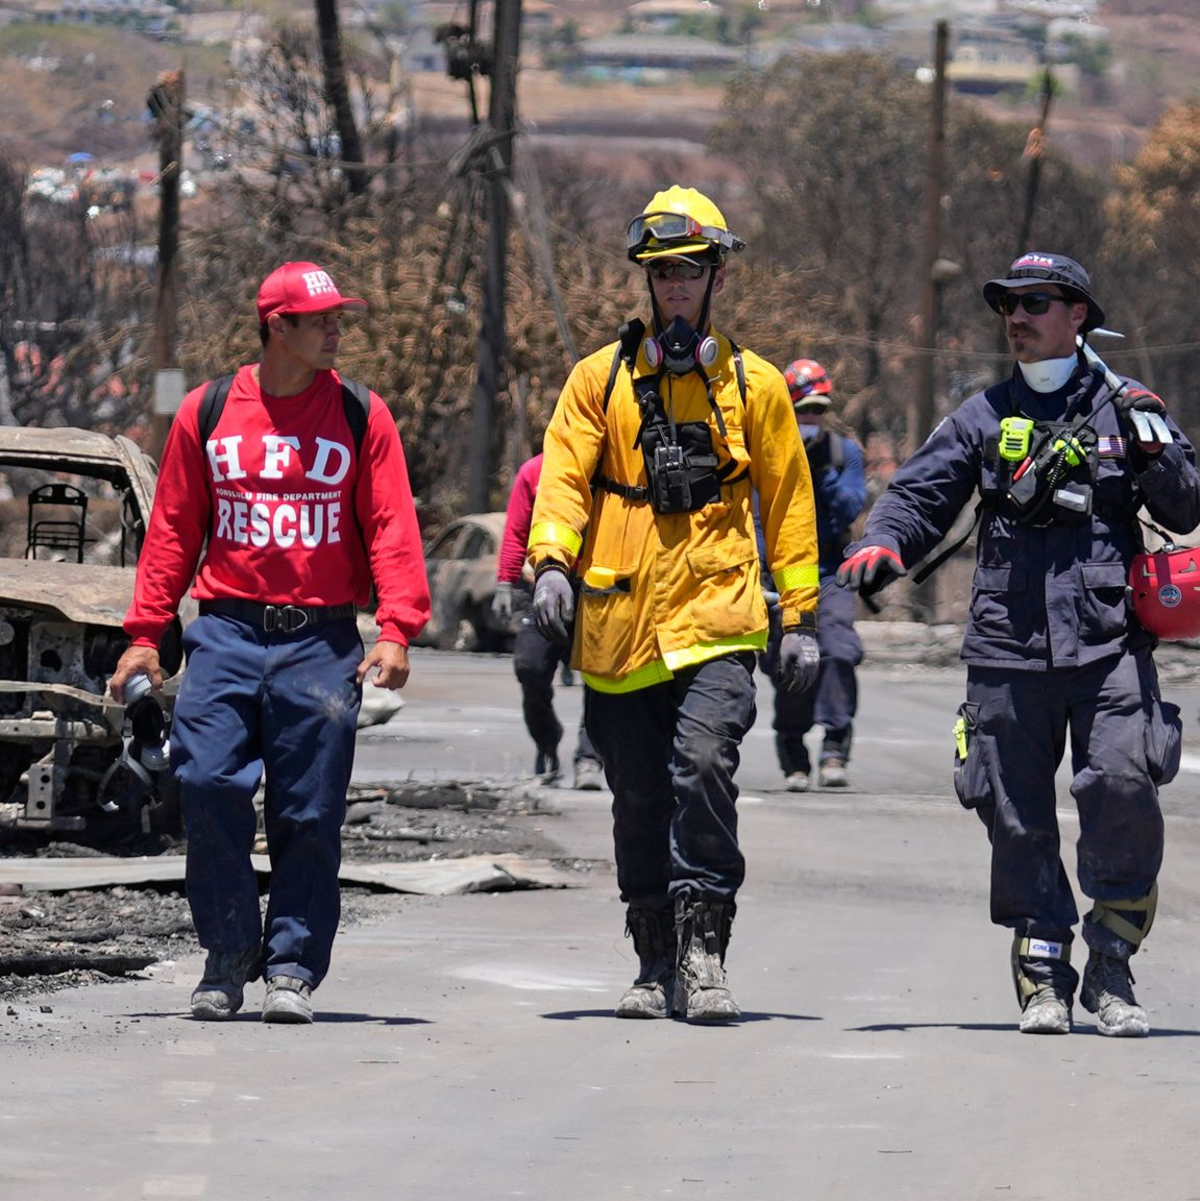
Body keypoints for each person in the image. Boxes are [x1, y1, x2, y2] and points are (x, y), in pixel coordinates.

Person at [836, 250, 1200, 1038]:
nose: (1019, 317)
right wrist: (886, 542)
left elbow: (1185, 504)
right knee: (1014, 811)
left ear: (1078, 318)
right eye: (1009, 304)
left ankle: (1112, 963)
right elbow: (920, 493)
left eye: (1038, 302)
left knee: (1124, 782)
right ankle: (1042, 969)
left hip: (1109, 644)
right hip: (1007, 646)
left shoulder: (1126, 407)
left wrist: (1152, 441)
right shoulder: (981, 413)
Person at [526, 186, 821, 1022]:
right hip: (620, 628)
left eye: (690, 270)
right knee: (639, 801)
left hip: (719, 618)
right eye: (663, 273)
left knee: (700, 768)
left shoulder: (755, 386)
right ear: (646, 282)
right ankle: (654, 959)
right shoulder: (598, 380)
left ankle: (705, 952)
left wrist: (798, 617)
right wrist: (550, 561)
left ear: (715, 276)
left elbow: (789, 503)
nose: (677, 286)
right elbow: (563, 475)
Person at [109, 261, 430, 1024]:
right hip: (224, 631)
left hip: (319, 641)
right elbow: (174, 533)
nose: (334, 329)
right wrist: (145, 636)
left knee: (309, 811)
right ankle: (227, 954)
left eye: (337, 317)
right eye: (319, 319)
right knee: (207, 781)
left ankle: (291, 965)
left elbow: (390, 524)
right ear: (274, 326)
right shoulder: (208, 410)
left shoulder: (360, 413)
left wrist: (397, 627)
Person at [759, 359, 867, 791]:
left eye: (817, 411)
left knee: (838, 651)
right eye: (801, 410)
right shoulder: (765, 451)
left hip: (828, 572)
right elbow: (752, 515)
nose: (810, 419)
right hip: (778, 577)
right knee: (790, 661)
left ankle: (836, 749)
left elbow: (848, 509)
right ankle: (793, 750)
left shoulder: (845, 454)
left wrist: (818, 470)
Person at [492, 453, 605, 789]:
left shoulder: (612, 466)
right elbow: (516, 530)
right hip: (543, 583)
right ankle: (547, 737)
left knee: (601, 678)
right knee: (530, 667)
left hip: (597, 587)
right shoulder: (534, 472)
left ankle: (590, 757)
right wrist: (504, 582)